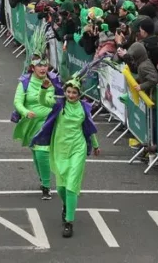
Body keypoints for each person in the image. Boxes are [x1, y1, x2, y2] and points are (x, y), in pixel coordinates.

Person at [31, 75, 100, 239]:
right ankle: (66, 206)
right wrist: (44, 88)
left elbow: (89, 127)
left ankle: (69, 221)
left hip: (78, 148)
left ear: (79, 94)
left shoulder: (84, 108)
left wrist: (95, 144)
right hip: (61, 148)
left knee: (71, 186)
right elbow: (42, 101)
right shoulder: (59, 105)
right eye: (68, 92)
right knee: (61, 188)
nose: (70, 95)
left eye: (74, 93)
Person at [12, 48, 60, 199]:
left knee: (42, 151)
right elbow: (17, 102)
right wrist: (26, 112)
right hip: (31, 123)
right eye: (39, 65)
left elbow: (58, 99)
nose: (43, 68)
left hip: (49, 123)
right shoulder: (25, 83)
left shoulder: (54, 81)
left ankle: (46, 186)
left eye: (45, 65)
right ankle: (42, 179)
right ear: (33, 67)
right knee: (36, 153)